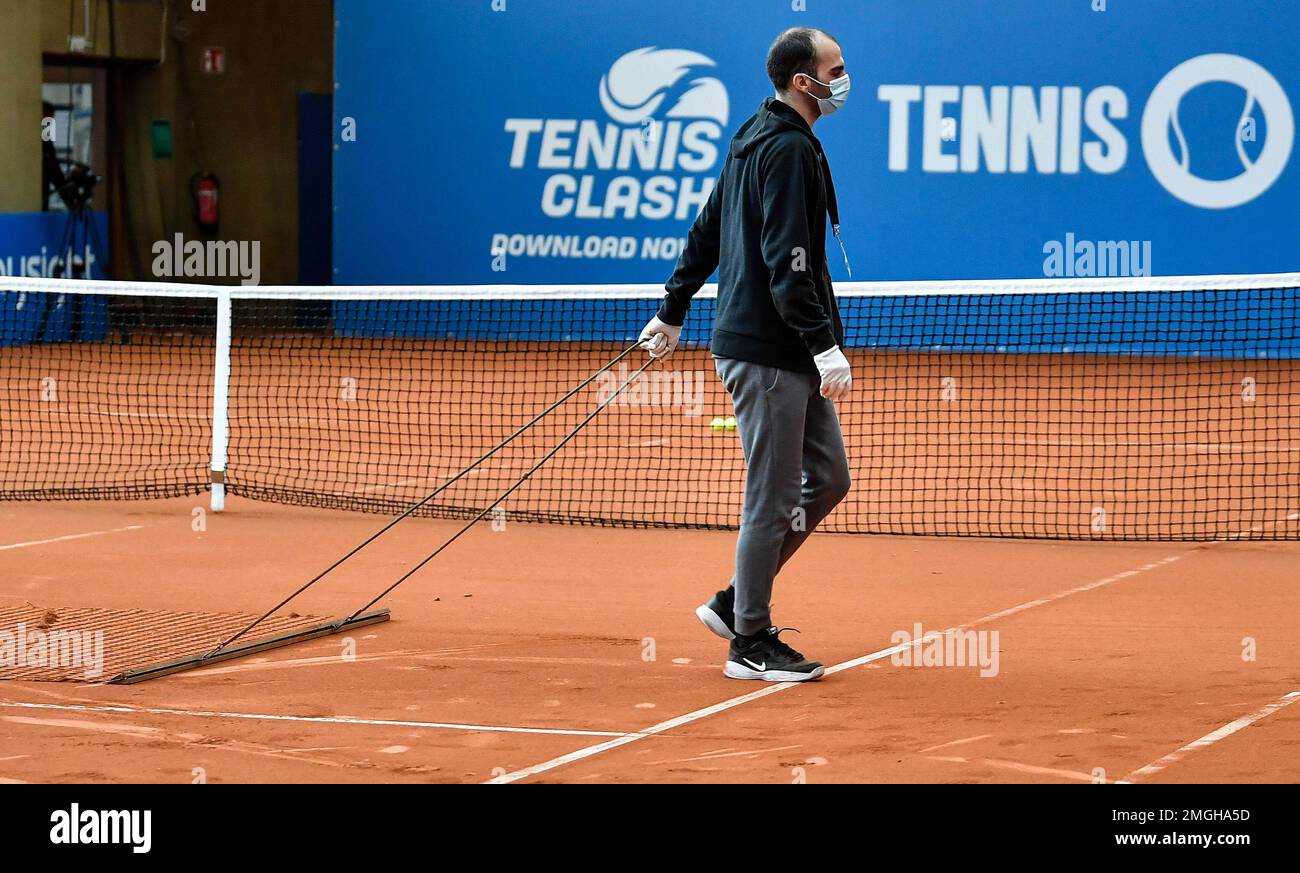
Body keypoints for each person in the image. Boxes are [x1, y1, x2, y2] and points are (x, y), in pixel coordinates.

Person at [639, 27, 853, 683]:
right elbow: (785, 264)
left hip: (780, 346)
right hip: (769, 350)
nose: (844, 79)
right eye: (835, 69)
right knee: (772, 495)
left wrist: (672, 311)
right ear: (802, 82)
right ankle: (750, 641)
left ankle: (736, 598)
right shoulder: (779, 148)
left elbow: (706, 229)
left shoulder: (756, 137)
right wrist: (824, 347)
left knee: (830, 477)